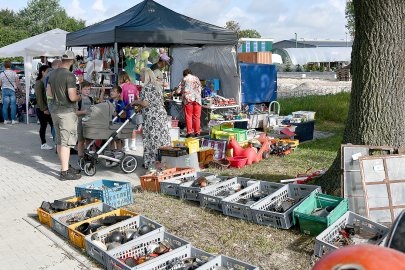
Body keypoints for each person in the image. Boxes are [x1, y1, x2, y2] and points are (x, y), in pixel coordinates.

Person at [47, 50, 82, 181]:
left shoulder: (52, 74)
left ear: (62, 60)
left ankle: (65, 166)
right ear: (72, 61)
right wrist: (80, 97)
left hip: (55, 111)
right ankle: (64, 172)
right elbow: (72, 97)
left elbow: (49, 94)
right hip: (66, 112)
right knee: (66, 143)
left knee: (59, 141)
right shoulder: (70, 76)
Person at [131, 68, 170, 169]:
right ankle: (163, 161)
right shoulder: (157, 86)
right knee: (161, 139)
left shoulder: (147, 87)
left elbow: (145, 103)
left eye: (141, 76)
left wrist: (136, 102)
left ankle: (152, 163)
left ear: (146, 76)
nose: (140, 77)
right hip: (160, 115)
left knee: (151, 139)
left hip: (152, 117)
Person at [174, 68, 202, 137]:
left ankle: (189, 133)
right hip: (197, 99)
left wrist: (174, 92)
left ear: (184, 74)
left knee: (189, 116)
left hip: (188, 99)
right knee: (197, 117)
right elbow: (200, 88)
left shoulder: (184, 79)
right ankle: (197, 133)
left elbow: (178, 91)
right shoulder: (196, 78)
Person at [99, 85, 126, 150]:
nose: (111, 92)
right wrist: (102, 92)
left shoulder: (121, 103)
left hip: (117, 124)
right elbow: (101, 101)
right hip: (110, 123)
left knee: (117, 140)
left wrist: (116, 113)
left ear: (119, 94)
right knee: (110, 140)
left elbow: (124, 115)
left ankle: (119, 153)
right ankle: (111, 153)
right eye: (111, 91)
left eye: (114, 91)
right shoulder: (109, 101)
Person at [118, 71, 140, 151]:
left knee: (125, 127)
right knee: (133, 128)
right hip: (133, 108)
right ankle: (133, 145)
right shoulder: (134, 86)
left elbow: (120, 99)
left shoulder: (121, 86)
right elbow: (137, 97)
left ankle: (126, 145)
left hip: (124, 109)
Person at [34, 65, 54, 150]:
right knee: (44, 125)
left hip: (46, 107)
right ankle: (43, 143)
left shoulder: (45, 81)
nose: (49, 73)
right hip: (41, 108)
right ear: (42, 72)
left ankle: (55, 142)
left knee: (52, 124)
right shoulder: (39, 83)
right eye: (47, 71)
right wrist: (44, 109)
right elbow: (39, 97)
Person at [76, 81, 94, 158]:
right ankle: (80, 156)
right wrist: (84, 112)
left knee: (89, 139)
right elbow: (74, 112)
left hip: (89, 122)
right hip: (80, 122)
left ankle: (88, 154)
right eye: (85, 89)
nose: (87, 91)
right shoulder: (78, 99)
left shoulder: (91, 99)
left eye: (88, 89)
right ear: (81, 89)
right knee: (81, 140)